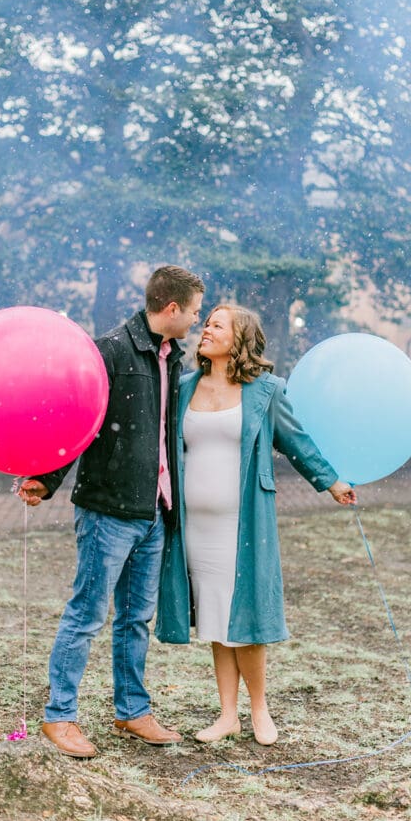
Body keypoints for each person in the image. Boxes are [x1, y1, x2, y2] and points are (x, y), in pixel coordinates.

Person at [17, 265, 204, 757]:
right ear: (171, 309)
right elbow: (74, 419)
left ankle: (132, 711)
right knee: (86, 614)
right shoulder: (111, 351)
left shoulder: (172, 356)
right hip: (107, 511)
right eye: (194, 311)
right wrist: (47, 479)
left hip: (153, 512)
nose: (196, 321)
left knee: (135, 619)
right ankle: (59, 716)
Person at [155, 304, 356, 746]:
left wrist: (332, 483)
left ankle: (259, 710)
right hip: (193, 527)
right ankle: (227, 715)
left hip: (241, 522)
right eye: (204, 322)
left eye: (216, 325)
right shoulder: (184, 387)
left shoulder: (265, 391)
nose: (205, 329)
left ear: (239, 338)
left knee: (244, 617)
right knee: (214, 617)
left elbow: (296, 442)